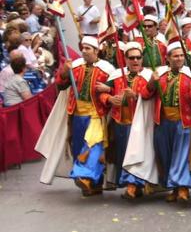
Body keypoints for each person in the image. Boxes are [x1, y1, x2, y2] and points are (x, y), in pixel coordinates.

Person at [56, 36, 115, 196]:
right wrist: (64, 72)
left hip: (96, 113)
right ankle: (93, 185)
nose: (84, 51)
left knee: (93, 145)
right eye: (83, 48)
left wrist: (108, 89)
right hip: (76, 115)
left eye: (88, 48)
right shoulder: (74, 66)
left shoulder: (107, 69)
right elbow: (61, 86)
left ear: (97, 51)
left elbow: (115, 89)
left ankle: (85, 175)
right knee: (78, 148)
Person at [97, 42, 154, 199]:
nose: (135, 61)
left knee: (137, 155)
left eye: (138, 57)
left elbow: (152, 95)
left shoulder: (149, 76)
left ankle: (133, 185)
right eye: (131, 58)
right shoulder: (116, 75)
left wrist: (136, 95)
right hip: (120, 122)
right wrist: (109, 98)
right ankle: (131, 184)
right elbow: (101, 93)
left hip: (140, 123)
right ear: (125, 59)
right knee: (123, 155)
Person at [150, 42, 191, 202]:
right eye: (176, 56)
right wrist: (152, 82)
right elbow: (146, 94)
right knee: (165, 155)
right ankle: (173, 187)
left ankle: (183, 187)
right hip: (163, 121)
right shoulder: (160, 74)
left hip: (183, 121)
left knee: (181, 156)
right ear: (168, 58)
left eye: (181, 56)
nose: (179, 59)